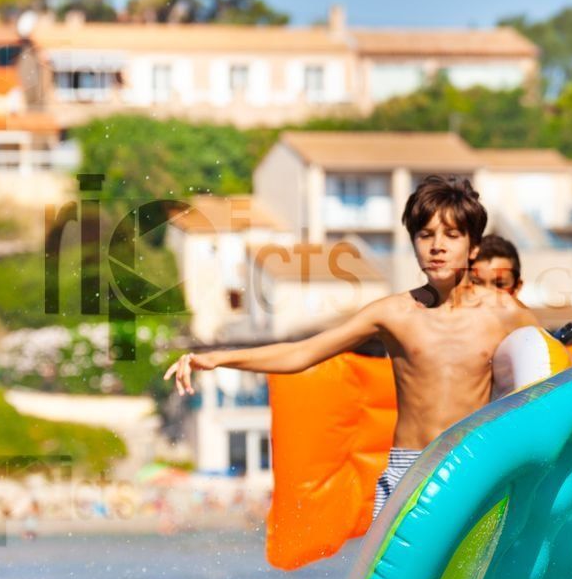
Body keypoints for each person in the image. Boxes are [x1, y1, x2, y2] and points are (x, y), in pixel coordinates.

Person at [166, 176, 541, 519]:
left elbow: (554, 367)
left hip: (472, 464)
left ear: (473, 247)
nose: (437, 247)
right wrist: (218, 358)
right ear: (413, 243)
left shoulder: (503, 312)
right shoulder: (393, 314)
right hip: (408, 468)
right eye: (425, 235)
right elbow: (302, 352)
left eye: (452, 235)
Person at [470, 234, 572, 579]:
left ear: (516, 287)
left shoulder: (534, 342)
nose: (489, 294)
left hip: (538, 473)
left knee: (560, 572)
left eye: (499, 283)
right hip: (491, 472)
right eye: (478, 283)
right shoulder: (468, 340)